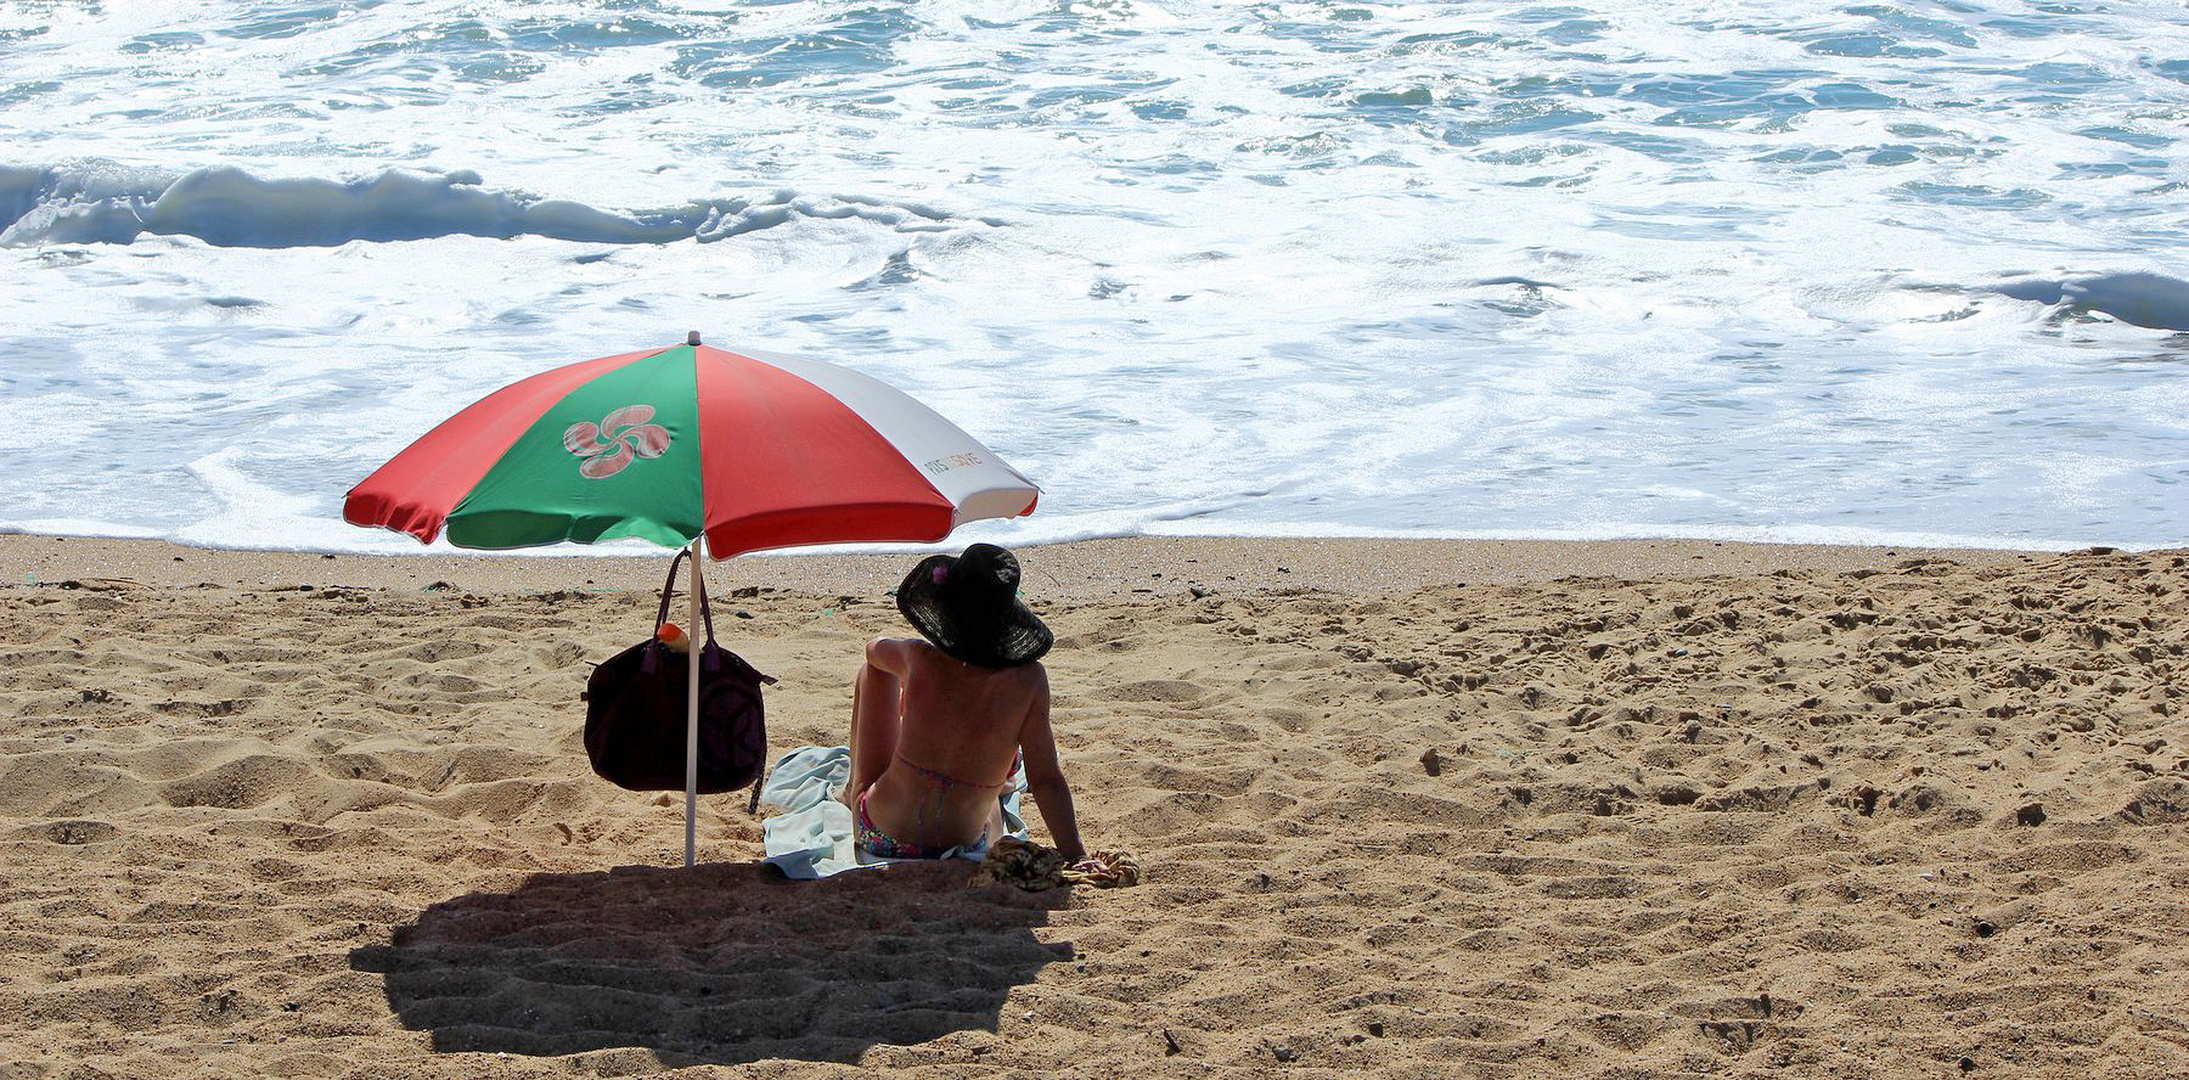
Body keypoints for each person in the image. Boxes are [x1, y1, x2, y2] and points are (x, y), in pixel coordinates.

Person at [844, 543, 1086, 864]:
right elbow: (1046, 780)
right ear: (1006, 618)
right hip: (970, 843)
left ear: (946, 609)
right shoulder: (1030, 681)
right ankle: (1000, 782)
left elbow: (873, 648)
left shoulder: (919, 658)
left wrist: (910, 684)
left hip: (882, 836)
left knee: (872, 670)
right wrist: (1076, 856)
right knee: (992, 799)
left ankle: (852, 790)